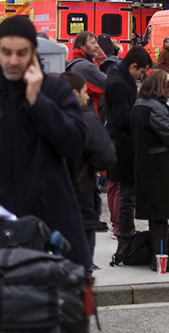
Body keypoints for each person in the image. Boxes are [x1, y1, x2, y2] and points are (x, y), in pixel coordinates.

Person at [0, 16, 91, 271]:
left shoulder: (55, 90)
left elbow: (75, 145)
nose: (13, 61)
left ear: (33, 52)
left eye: (22, 53)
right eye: (7, 52)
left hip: (54, 226)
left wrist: (39, 103)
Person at [131, 70, 169, 273]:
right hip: (160, 167)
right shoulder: (155, 108)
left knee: (155, 215)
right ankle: (160, 259)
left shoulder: (139, 105)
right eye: (167, 87)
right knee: (160, 215)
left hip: (145, 164)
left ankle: (159, 256)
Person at [60, 72, 116, 263]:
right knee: (81, 269)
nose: (87, 97)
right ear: (75, 93)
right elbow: (107, 157)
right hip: (80, 201)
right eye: (85, 92)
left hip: (49, 206)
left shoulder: (45, 118)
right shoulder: (87, 120)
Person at [103, 47, 152, 252]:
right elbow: (122, 118)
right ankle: (125, 234)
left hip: (122, 143)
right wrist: (141, 120)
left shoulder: (119, 78)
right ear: (133, 66)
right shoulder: (120, 83)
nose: (142, 76)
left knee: (127, 194)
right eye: (141, 72)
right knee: (127, 195)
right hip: (123, 145)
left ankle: (125, 232)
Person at [67, 31, 107, 114]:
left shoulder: (75, 63)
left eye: (96, 42)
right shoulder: (86, 66)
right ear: (82, 46)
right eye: (93, 43)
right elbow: (108, 82)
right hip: (90, 110)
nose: (97, 46)